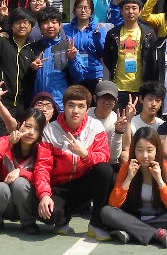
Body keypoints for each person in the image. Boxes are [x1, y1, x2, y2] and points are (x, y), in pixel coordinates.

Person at [35, 84, 114, 240]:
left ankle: (96, 225)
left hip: (83, 185)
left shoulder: (95, 126)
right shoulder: (51, 130)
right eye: (71, 105)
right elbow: (42, 166)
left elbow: (104, 156)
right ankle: (61, 220)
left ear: (87, 109)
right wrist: (44, 195)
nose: (75, 111)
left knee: (105, 170)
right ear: (64, 107)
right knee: (48, 215)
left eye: (80, 106)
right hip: (58, 186)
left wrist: (84, 154)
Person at [101, 127, 167, 247]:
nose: (145, 155)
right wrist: (129, 178)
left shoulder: (166, 168)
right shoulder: (127, 167)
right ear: (134, 150)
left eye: (149, 150)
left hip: (159, 218)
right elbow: (114, 204)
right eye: (140, 150)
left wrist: (160, 181)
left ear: (157, 150)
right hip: (133, 217)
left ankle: (132, 232)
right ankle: (156, 234)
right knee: (107, 212)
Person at [0, 110, 45, 234]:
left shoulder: (43, 149)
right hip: (5, 203)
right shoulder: (3, 141)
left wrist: (21, 172)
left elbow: (45, 177)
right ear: (19, 125)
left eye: (37, 129)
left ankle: (28, 222)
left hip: (29, 203)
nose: (31, 132)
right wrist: (8, 143)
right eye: (28, 126)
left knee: (20, 183)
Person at [0, 8, 38, 137]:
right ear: (11, 25)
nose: (22, 25)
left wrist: (33, 69)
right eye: (18, 22)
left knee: (17, 140)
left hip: (21, 106)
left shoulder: (30, 51)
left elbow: (27, 81)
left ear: (31, 27)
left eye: (26, 22)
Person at [103, 0, 158, 105]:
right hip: (119, 87)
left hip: (141, 87)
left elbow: (152, 60)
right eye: (127, 8)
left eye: (134, 8)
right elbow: (107, 58)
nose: (131, 12)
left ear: (140, 11)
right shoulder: (113, 34)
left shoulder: (149, 33)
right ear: (121, 11)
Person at [29, 6, 73, 112]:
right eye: (45, 23)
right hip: (37, 104)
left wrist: (73, 60)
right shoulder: (33, 48)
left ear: (60, 25)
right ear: (39, 26)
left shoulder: (67, 47)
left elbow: (79, 76)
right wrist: (32, 68)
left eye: (54, 22)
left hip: (60, 105)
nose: (50, 26)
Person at [62, 0, 106, 95]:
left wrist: (97, 39)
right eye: (79, 7)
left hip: (93, 74)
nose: (83, 10)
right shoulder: (66, 29)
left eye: (86, 8)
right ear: (74, 10)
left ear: (91, 10)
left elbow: (102, 54)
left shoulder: (98, 29)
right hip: (73, 73)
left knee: (93, 103)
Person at [89, 80, 134, 168]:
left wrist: (118, 132)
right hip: (87, 160)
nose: (106, 102)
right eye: (103, 98)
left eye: (110, 99)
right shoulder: (86, 115)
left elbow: (114, 157)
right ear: (95, 98)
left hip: (108, 165)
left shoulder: (118, 120)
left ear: (116, 101)